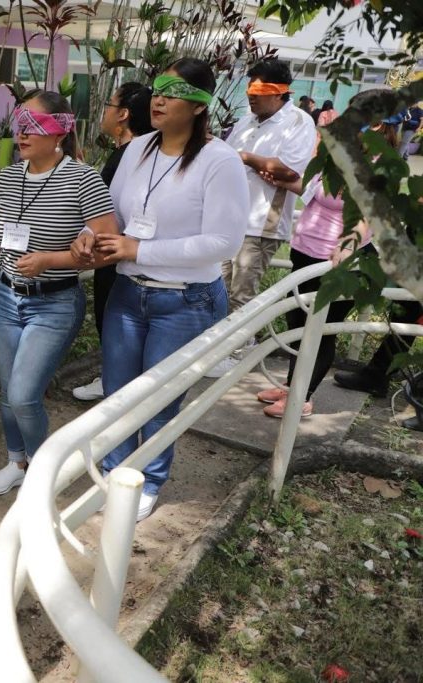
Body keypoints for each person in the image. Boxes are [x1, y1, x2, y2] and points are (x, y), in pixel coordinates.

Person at [86, 58, 249, 520]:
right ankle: (115, 473)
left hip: (185, 300)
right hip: (127, 292)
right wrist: (90, 235)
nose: (158, 99)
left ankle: (149, 480)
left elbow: (224, 242)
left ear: (199, 105)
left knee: (159, 400)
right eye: (157, 88)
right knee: (117, 393)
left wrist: (139, 249)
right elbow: (112, 213)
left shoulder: (220, 161)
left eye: (173, 91)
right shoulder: (138, 148)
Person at [0, 91, 117, 495]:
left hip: (55, 303)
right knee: (8, 393)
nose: (21, 132)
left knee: (23, 395)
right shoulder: (7, 177)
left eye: (33, 124)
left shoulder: (83, 179)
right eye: (19, 122)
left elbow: (109, 248)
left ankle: (41, 472)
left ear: (61, 131)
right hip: (5, 298)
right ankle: (16, 462)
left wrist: (50, 261)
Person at [253, 117, 404, 417]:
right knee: (298, 324)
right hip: (305, 252)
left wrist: (349, 243)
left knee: (320, 330)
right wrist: (284, 182)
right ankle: (292, 386)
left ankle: (302, 398)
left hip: (338, 262)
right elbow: (316, 192)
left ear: (376, 125)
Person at [208, 58, 317, 378]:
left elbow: (289, 171)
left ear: (280, 92)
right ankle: (216, 347)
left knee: (242, 292)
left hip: (262, 222)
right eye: (249, 89)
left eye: (259, 90)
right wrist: (258, 162)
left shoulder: (298, 122)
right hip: (228, 219)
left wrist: (245, 157)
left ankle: (240, 351)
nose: (251, 96)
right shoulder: (246, 121)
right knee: (216, 288)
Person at [72, 82, 153, 402]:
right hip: (120, 252)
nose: (103, 112)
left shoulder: (129, 154)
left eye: (109, 105)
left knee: (112, 320)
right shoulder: (136, 153)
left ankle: (113, 381)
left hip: (116, 254)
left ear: (123, 115)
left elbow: (108, 208)